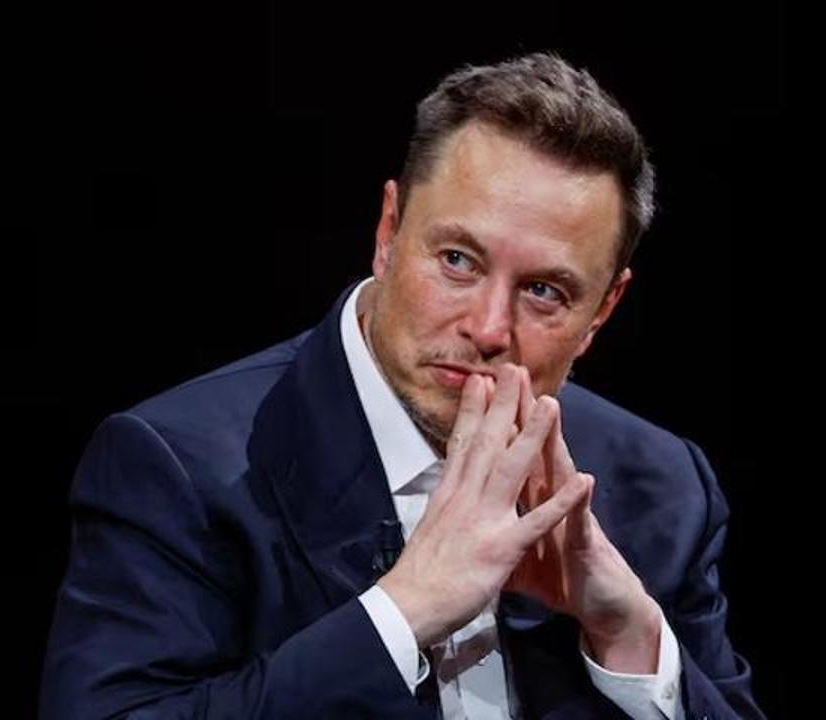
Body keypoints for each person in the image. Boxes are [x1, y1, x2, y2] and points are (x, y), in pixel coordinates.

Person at [40, 52, 765, 719]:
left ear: (602, 309)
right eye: (457, 260)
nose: (488, 327)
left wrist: (631, 638)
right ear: (388, 232)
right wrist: (401, 612)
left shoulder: (662, 486)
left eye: (544, 291)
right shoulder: (178, 467)